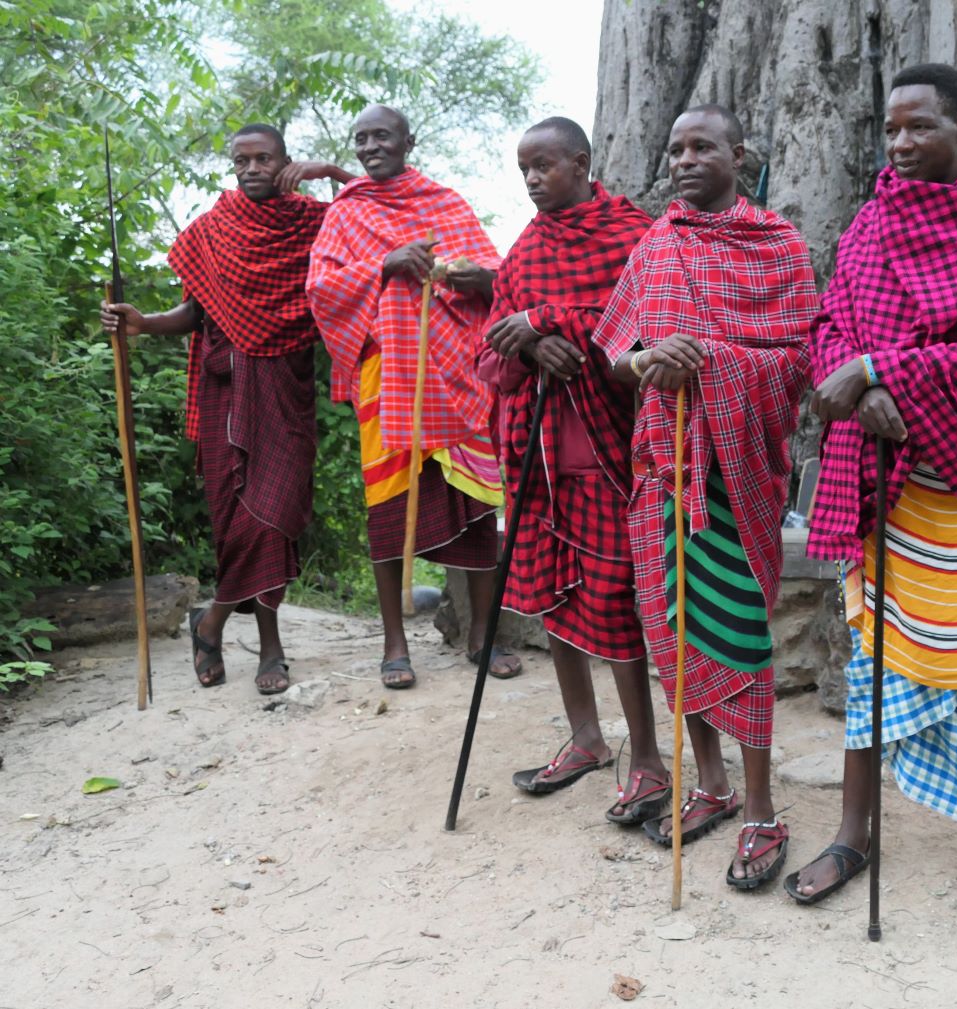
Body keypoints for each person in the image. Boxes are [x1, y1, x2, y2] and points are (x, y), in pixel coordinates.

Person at [788, 64, 957, 935]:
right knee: (874, 655)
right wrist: (854, 381)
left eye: (919, 127)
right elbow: (832, 324)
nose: (899, 144)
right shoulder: (869, 220)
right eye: (890, 129)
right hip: (876, 474)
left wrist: (884, 369)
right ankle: (856, 831)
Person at [593, 104, 817, 887]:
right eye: (675, 148)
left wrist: (711, 359)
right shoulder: (658, 244)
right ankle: (711, 783)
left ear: (739, 155)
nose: (684, 159)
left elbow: (797, 362)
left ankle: (759, 806)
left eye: (702, 147)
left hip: (737, 474)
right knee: (673, 631)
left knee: (741, 635)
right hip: (665, 468)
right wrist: (654, 358)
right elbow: (619, 354)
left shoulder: (778, 245)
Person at [100, 123, 353, 695]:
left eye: (264, 158)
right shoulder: (216, 228)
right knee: (240, 522)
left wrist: (333, 174)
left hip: (286, 391)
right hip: (226, 390)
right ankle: (270, 650)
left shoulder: (316, 222)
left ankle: (211, 619)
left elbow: (371, 215)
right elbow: (195, 312)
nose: (251, 169)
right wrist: (143, 323)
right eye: (241, 160)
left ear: (287, 162)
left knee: (277, 513)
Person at [477, 117, 669, 819]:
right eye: (522, 169)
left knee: (616, 598)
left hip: (610, 450)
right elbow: (493, 348)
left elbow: (647, 321)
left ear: (582, 162)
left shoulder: (633, 234)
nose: (530, 180)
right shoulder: (524, 248)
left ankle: (646, 756)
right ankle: (585, 737)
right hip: (537, 452)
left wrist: (550, 323)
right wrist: (532, 349)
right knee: (551, 592)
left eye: (543, 166)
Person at [306, 104, 521, 689]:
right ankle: (394, 644)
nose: (371, 146)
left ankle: (484, 634)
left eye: (382, 136)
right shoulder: (345, 215)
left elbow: (497, 270)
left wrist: (475, 276)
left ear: (408, 141)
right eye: (361, 139)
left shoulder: (446, 203)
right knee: (388, 508)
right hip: (389, 379)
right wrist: (385, 263)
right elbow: (320, 289)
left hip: (457, 375)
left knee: (477, 503)